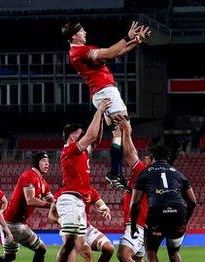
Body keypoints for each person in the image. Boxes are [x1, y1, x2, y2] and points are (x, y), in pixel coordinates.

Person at [61, 21, 150, 189]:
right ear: (74, 35)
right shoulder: (80, 51)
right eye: (82, 30)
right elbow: (109, 53)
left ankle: (116, 172)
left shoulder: (78, 52)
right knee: (125, 129)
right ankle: (117, 172)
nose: (85, 32)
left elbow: (116, 53)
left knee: (119, 133)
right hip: (106, 92)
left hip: (102, 93)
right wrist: (127, 37)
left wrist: (135, 42)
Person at [51, 99, 108, 262]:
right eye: (80, 133)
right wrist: (100, 109)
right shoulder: (70, 149)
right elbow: (91, 135)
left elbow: (96, 137)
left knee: (78, 243)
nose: (83, 135)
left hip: (79, 202)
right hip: (69, 198)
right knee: (72, 243)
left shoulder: (80, 151)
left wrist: (104, 117)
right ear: (73, 135)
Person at [130, 144, 196, 262]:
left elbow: (135, 203)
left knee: (151, 250)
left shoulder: (145, 173)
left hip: (157, 213)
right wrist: (185, 221)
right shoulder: (178, 173)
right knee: (174, 252)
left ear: (152, 157)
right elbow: (192, 202)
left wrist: (133, 226)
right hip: (178, 212)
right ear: (167, 158)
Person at [48, 186, 113, 262]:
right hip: (70, 229)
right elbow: (51, 215)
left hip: (87, 228)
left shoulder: (89, 189)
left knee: (109, 248)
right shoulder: (61, 193)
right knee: (86, 251)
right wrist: (61, 221)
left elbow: (99, 202)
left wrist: (104, 208)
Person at [116, 118, 152, 262]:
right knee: (137, 258)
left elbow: (130, 152)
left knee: (123, 254)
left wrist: (125, 130)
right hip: (141, 223)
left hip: (136, 223)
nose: (143, 158)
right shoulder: (147, 177)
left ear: (151, 161)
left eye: (146, 157)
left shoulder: (143, 171)